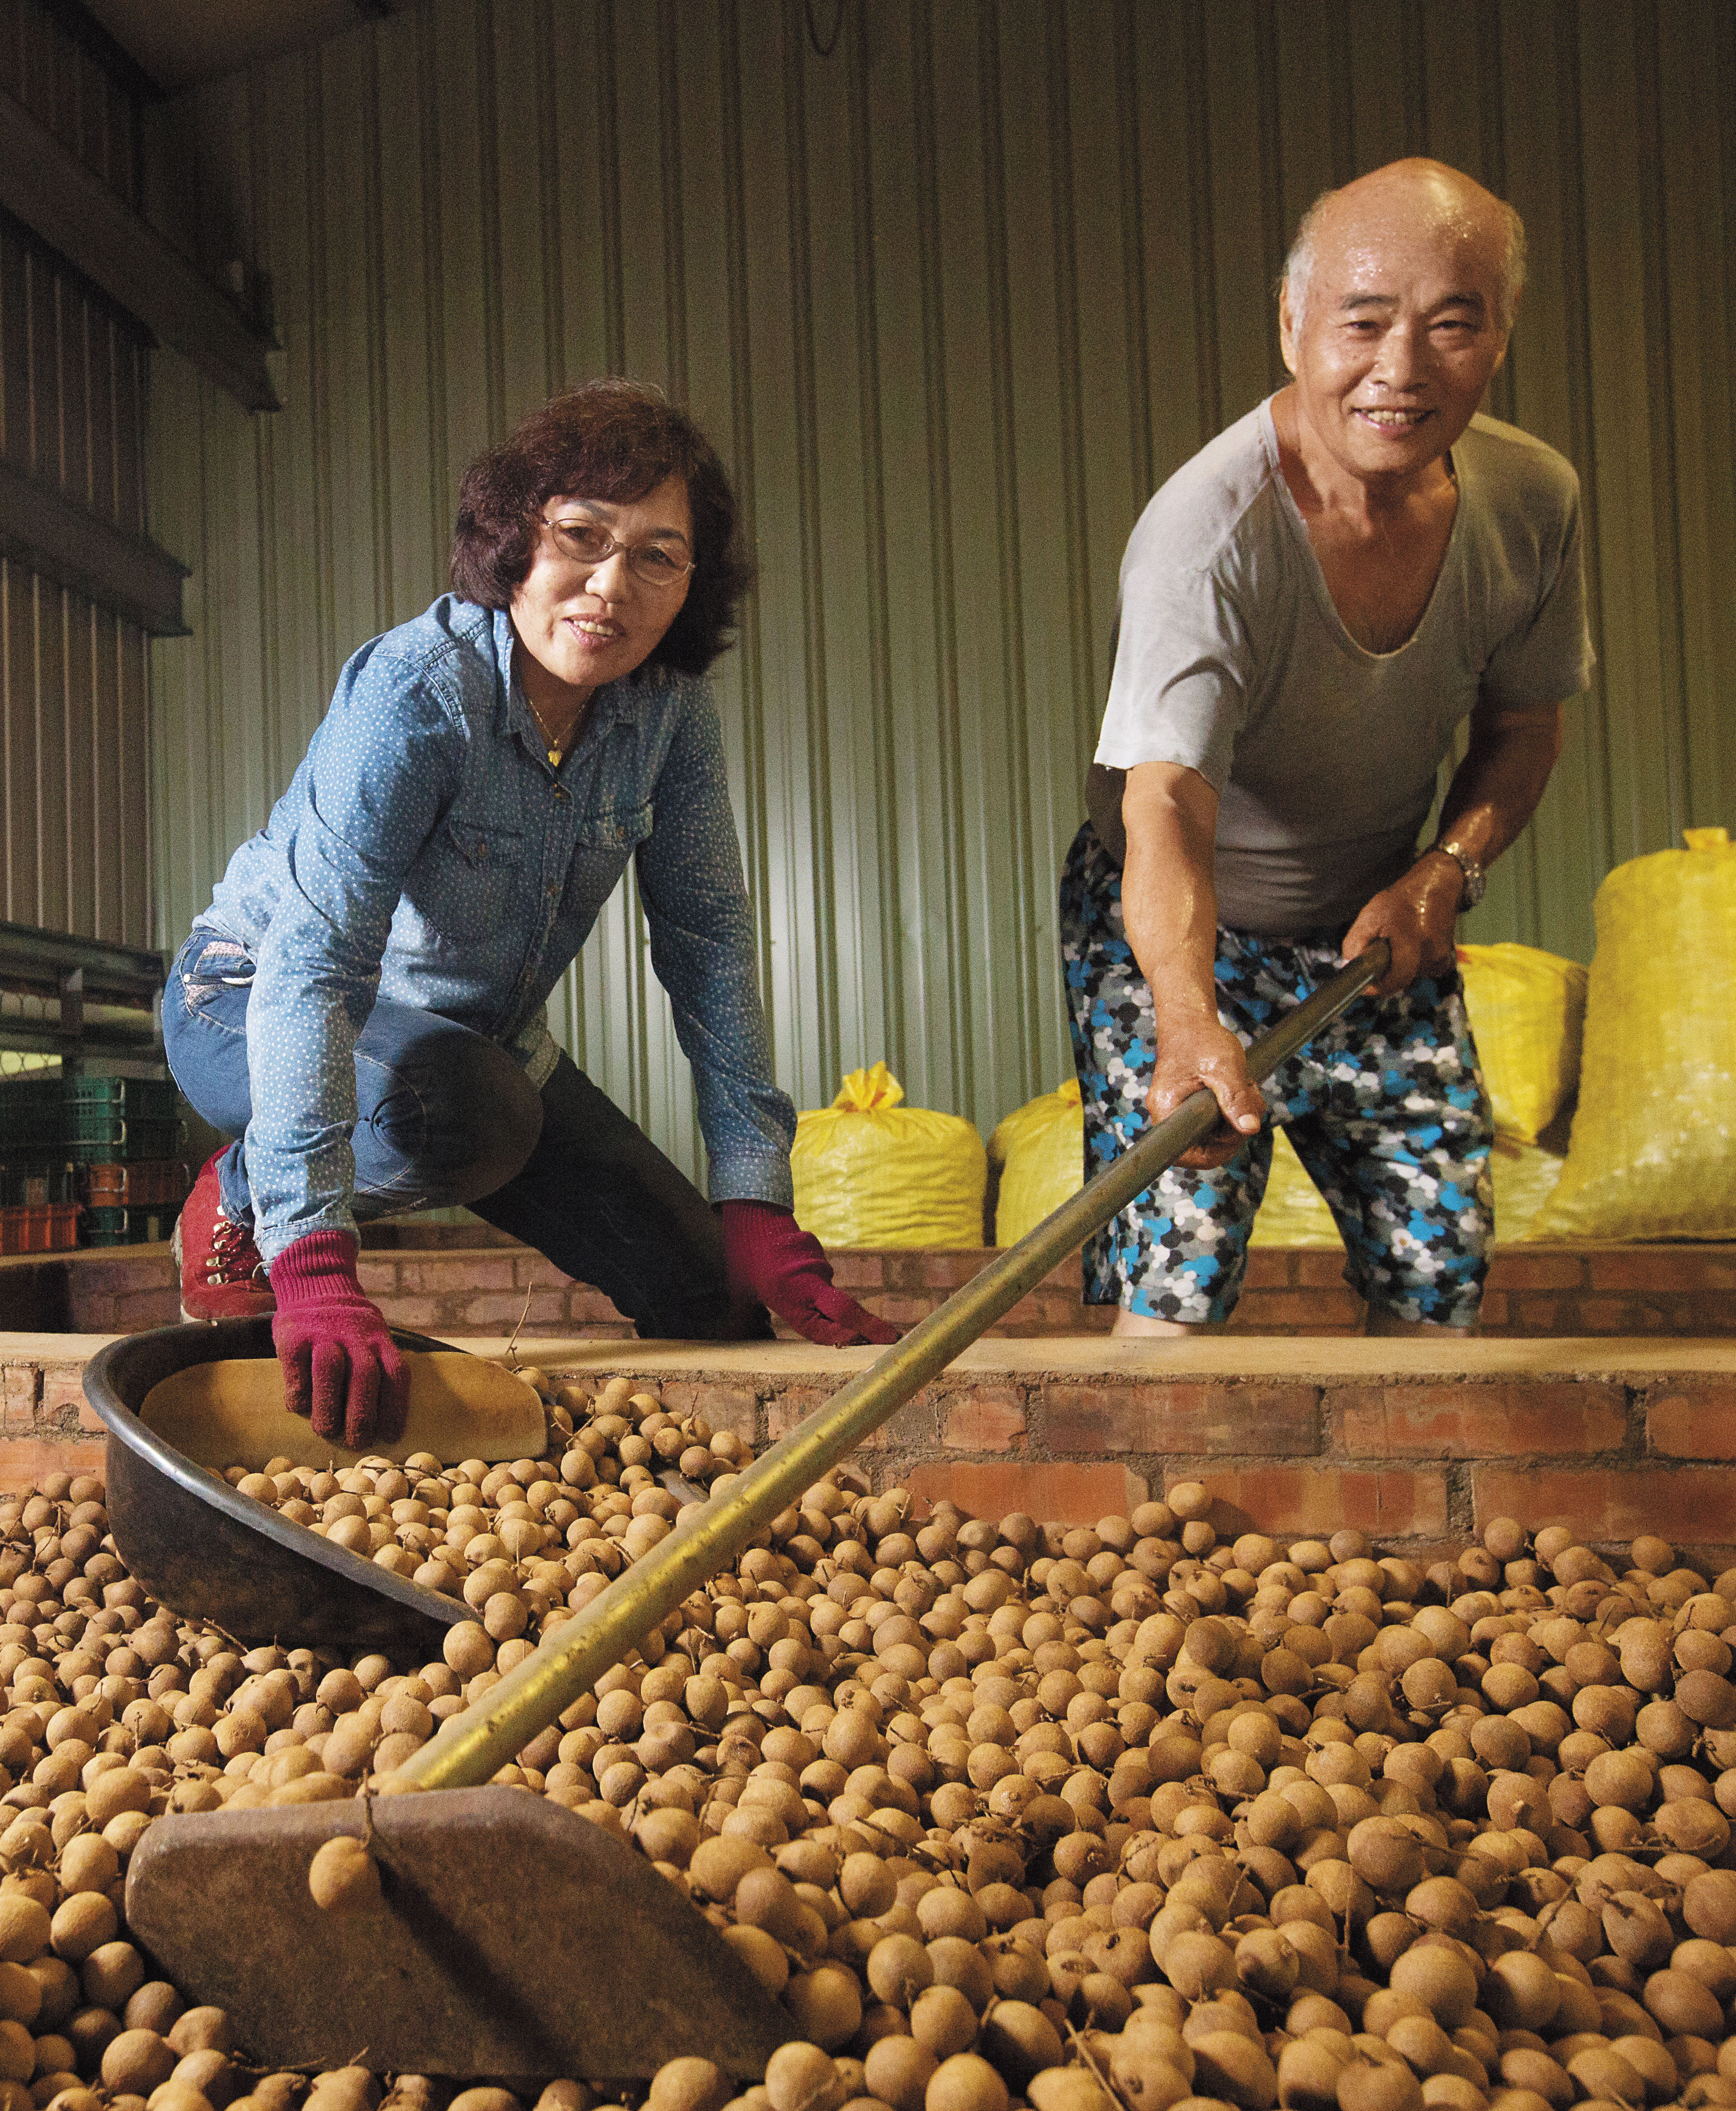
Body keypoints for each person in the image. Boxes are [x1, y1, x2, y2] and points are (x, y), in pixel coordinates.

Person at [167, 379, 899, 1443]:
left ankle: (693, 1243)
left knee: (713, 1305)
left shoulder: (668, 714)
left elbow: (709, 945)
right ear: (514, 538)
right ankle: (241, 1195)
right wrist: (314, 1259)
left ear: (691, 585)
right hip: (249, 999)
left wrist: (756, 1198)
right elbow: (315, 969)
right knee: (466, 1115)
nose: (610, 584)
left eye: (657, 555)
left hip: (476, 1048)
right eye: (580, 536)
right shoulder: (417, 693)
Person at [1070, 157, 1593, 1337]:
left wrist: (1442, 872)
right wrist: (1187, 1013)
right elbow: (1166, 804)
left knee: (1439, 1267)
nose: (1400, 371)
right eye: (1363, 322)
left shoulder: (1533, 499)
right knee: (1179, 1267)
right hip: (1174, 928)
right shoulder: (1206, 538)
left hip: (1376, 931)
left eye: (1451, 326)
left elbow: (1524, 727)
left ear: (1500, 336)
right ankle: (1141, 1509)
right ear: (1294, 323)